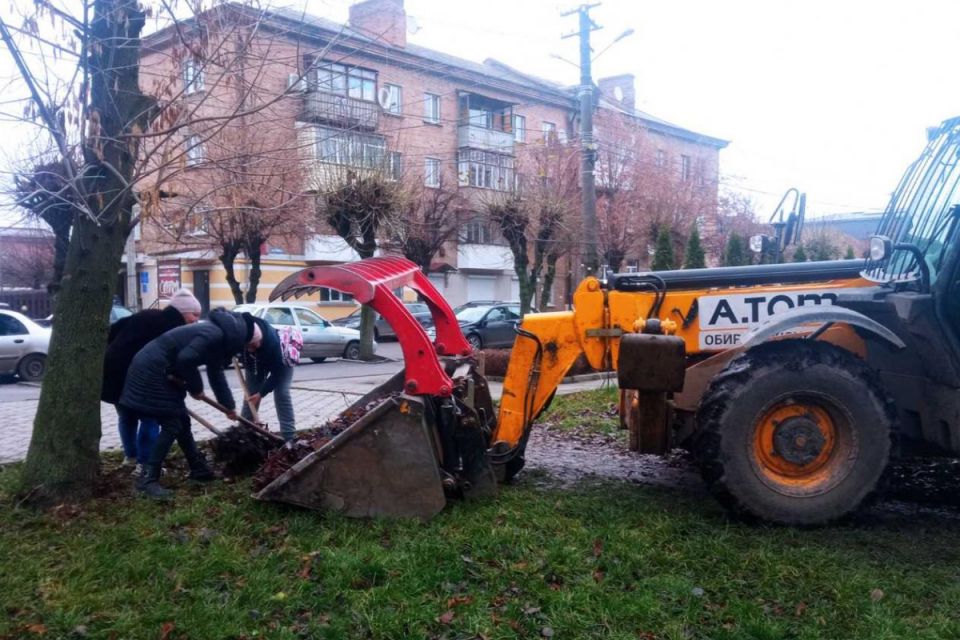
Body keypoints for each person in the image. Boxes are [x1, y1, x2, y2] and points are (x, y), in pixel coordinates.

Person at [120, 309, 263, 498]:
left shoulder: (217, 336)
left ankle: (198, 469)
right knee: (172, 424)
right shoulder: (213, 334)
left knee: (182, 421)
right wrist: (196, 388)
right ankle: (147, 480)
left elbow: (216, 373)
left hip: (162, 371)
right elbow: (186, 359)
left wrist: (229, 407)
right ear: (239, 338)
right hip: (152, 371)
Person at [101, 288, 202, 472]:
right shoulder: (173, 328)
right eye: (194, 315)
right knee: (150, 417)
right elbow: (176, 361)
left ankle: (131, 457)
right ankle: (145, 464)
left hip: (112, 372)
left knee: (127, 416)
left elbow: (113, 330)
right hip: (136, 376)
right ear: (182, 312)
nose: (196, 320)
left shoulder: (146, 315)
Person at [241, 316, 299, 441]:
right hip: (255, 364)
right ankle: (243, 434)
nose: (252, 348)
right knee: (250, 396)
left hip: (281, 363)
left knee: (281, 393)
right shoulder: (242, 335)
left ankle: (289, 437)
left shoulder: (274, 344)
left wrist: (261, 393)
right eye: (249, 346)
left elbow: (278, 373)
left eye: (254, 345)